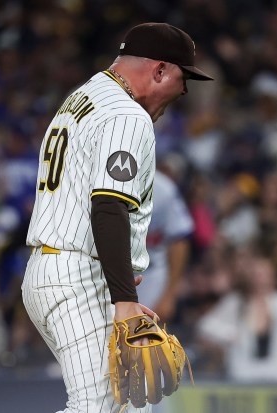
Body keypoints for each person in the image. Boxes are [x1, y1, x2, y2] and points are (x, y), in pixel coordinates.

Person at [21, 22, 212, 413]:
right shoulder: (128, 115)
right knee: (96, 408)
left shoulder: (85, 96)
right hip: (75, 277)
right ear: (159, 71)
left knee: (131, 408)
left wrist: (117, 286)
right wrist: (125, 300)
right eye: (182, 77)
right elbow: (108, 205)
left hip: (64, 270)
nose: (185, 90)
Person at [136, 169, 193, 321]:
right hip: (103, 272)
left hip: (149, 276)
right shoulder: (99, 180)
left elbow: (179, 239)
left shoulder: (163, 189)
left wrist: (169, 295)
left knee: (140, 336)